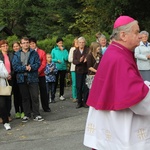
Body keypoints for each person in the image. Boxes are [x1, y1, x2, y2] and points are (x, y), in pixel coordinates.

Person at [84, 16, 150, 150]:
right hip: (119, 125)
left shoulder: (115, 52)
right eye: (136, 32)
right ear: (123, 35)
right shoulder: (119, 58)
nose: (140, 36)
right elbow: (137, 99)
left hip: (111, 121)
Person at [12, 37, 44, 122]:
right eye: (24, 43)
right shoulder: (17, 54)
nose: (26, 44)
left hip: (33, 77)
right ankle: (27, 114)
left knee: (35, 96)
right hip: (22, 78)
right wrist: (25, 68)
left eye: (27, 42)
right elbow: (15, 67)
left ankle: (36, 114)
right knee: (25, 97)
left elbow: (38, 63)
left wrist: (31, 67)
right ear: (21, 44)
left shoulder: (34, 53)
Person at [29, 38, 51, 112]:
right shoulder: (28, 52)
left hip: (41, 75)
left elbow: (44, 63)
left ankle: (46, 107)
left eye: (33, 43)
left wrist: (38, 71)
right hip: (31, 75)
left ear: (36, 44)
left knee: (44, 91)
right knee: (33, 92)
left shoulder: (41, 52)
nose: (32, 45)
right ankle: (33, 108)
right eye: (30, 43)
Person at [73, 37, 89, 108]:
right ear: (78, 43)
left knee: (86, 87)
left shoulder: (88, 50)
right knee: (78, 87)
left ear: (85, 43)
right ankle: (79, 102)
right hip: (78, 71)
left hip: (86, 70)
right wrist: (79, 61)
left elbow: (90, 59)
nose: (81, 44)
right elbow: (74, 61)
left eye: (83, 42)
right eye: (80, 42)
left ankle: (85, 101)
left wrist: (87, 60)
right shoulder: (75, 51)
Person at [0, 40, 13, 123]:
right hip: (1, 80)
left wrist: (10, 75)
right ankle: (1, 116)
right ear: (0, 47)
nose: (5, 47)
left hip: (10, 78)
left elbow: (14, 66)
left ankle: (7, 114)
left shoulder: (11, 55)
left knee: (8, 98)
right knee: (1, 100)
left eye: (6, 45)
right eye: (3, 46)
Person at [12, 42, 24, 119]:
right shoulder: (11, 55)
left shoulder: (22, 54)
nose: (16, 47)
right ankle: (17, 111)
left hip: (21, 76)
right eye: (14, 46)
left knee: (22, 94)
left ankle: (23, 110)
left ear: (20, 46)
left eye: (17, 46)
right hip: (13, 77)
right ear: (12, 48)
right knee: (16, 95)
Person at [0, 60, 11, 130]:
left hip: (1, 87)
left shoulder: (0, 63)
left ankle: (6, 122)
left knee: (2, 105)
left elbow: (6, 74)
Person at [68, 38, 78, 103]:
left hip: (81, 69)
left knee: (81, 83)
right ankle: (74, 96)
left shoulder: (82, 49)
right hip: (74, 68)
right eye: (76, 42)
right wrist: (76, 60)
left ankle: (80, 96)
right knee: (74, 83)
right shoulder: (72, 49)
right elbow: (69, 59)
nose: (77, 43)